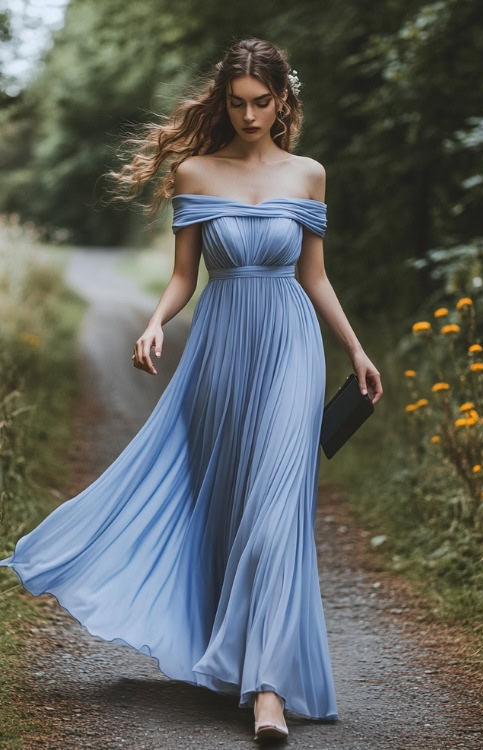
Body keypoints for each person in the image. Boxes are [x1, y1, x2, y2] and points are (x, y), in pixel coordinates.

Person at [0, 36, 383, 743]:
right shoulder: (195, 172)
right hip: (221, 350)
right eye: (236, 103)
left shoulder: (309, 175)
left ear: (282, 99)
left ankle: (268, 690)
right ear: (222, 102)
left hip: (292, 347)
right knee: (230, 504)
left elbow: (315, 276)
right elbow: (184, 276)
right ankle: (233, 656)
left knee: (276, 508)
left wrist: (355, 349)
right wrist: (152, 323)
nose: (248, 114)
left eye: (261, 102)